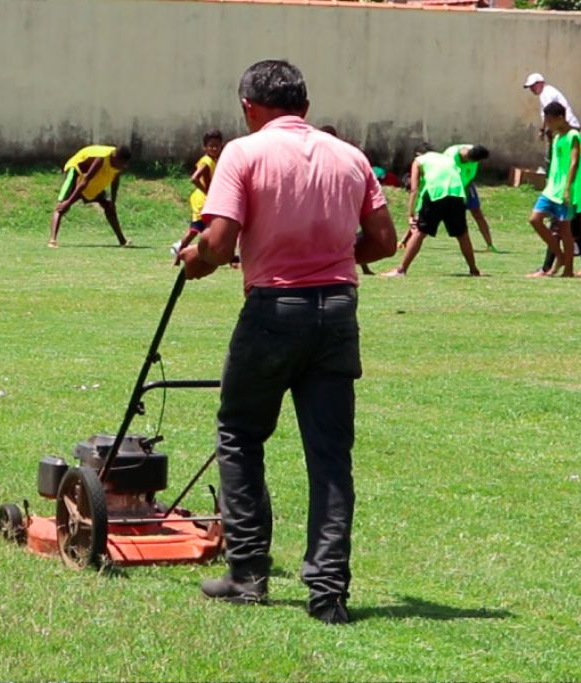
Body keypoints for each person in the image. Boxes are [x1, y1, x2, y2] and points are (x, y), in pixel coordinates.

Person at [178, 59, 397, 625]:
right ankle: (328, 592)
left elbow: (220, 243)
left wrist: (194, 259)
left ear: (249, 107)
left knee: (240, 433)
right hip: (338, 312)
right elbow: (383, 241)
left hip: (274, 309)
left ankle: (248, 573)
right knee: (329, 456)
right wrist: (332, 259)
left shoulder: (243, 153)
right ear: (304, 104)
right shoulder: (349, 156)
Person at [382, 148, 480, 277]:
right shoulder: (447, 159)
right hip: (457, 193)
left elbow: (414, 189)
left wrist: (410, 214)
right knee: (462, 234)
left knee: (420, 232)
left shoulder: (418, 161)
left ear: (418, 154)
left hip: (436, 193)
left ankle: (401, 270)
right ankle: (474, 270)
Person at [526, 101, 581, 278]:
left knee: (565, 230)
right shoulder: (557, 137)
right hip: (551, 189)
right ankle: (559, 256)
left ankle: (568, 270)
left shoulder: (573, 135)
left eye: (550, 120)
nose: (548, 124)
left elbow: (574, 162)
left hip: (564, 190)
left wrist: (568, 188)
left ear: (560, 118)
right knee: (535, 220)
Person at [49, 145, 132, 248]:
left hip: (94, 180)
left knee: (109, 207)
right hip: (77, 171)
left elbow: (115, 181)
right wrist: (69, 202)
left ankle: (122, 240)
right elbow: (86, 179)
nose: (123, 167)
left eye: (124, 165)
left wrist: (113, 202)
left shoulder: (118, 162)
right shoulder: (101, 158)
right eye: (121, 164)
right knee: (62, 206)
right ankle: (52, 240)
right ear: (115, 157)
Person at [171, 129, 224, 263]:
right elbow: (194, 178)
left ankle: (190, 255)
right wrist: (207, 192)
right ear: (205, 147)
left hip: (208, 199)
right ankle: (179, 254)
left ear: (221, 145)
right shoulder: (206, 161)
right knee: (196, 230)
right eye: (211, 145)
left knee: (205, 229)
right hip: (202, 200)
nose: (214, 148)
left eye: (217, 145)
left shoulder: (216, 160)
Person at [443, 143, 498, 252]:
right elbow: (445, 174)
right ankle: (408, 240)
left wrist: (465, 194)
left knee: (477, 213)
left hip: (466, 184)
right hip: (448, 186)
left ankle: (490, 245)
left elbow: (469, 176)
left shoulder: (475, 156)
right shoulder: (451, 155)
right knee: (435, 213)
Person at [524, 73, 580, 165]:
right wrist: (544, 129)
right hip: (563, 127)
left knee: (567, 157)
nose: (532, 89)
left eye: (533, 86)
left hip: (567, 127)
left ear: (541, 83)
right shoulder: (545, 93)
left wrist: (547, 130)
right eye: (530, 87)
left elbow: (550, 113)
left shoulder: (546, 93)